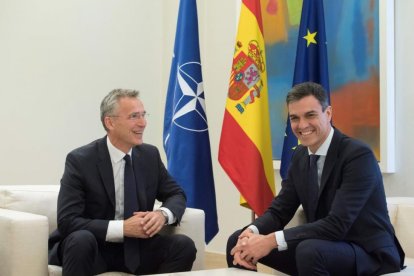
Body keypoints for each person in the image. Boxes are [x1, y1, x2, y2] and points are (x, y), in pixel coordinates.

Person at [227, 82, 405, 275]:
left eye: (310, 115)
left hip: (368, 252)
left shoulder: (357, 155)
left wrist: (270, 241)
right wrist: (252, 232)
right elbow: (280, 211)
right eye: (294, 118)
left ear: (328, 113)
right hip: (325, 246)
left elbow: (337, 224)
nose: (302, 125)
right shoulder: (300, 156)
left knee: (310, 251)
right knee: (237, 241)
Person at [48, 89, 196, 276]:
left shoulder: (149, 155)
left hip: (136, 249)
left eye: (143, 115)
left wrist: (161, 215)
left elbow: (176, 194)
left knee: (183, 246)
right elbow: (68, 221)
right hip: (93, 247)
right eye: (134, 116)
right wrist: (123, 228)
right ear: (110, 122)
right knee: (81, 240)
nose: (143, 123)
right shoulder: (81, 160)